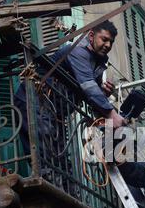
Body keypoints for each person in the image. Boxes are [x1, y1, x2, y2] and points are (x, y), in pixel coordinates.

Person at [14, 20, 126, 154]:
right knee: (44, 150)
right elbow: (88, 85)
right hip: (34, 99)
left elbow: (90, 91)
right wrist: (111, 114)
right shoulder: (78, 51)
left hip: (53, 110)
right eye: (104, 39)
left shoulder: (98, 62)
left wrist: (102, 93)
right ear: (91, 36)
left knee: (58, 154)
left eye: (111, 42)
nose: (108, 45)